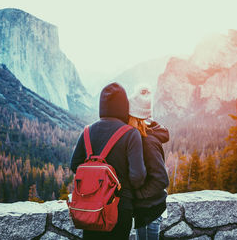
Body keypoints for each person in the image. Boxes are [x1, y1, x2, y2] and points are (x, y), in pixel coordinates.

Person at [70, 82, 146, 240]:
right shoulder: (131, 134)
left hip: (91, 208)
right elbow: (137, 177)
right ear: (124, 107)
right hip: (119, 208)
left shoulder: (87, 131)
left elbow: (74, 166)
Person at [128, 85, 170, 240]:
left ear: (135, 117)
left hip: (150, 211)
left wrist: (137, 195)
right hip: (146, 209)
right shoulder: (141, 138)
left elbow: (161, 179)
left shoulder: (148, 142)